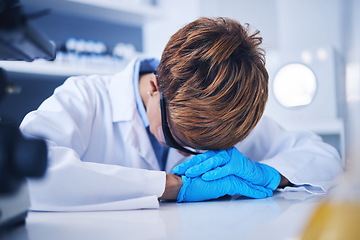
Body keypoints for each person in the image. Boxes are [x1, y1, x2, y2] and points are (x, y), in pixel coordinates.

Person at [20, 17, 342, 210]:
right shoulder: (86, 98)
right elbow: (25, 177)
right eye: (174, 136)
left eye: (203, 149)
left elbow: (324, 156)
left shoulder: (219, 113)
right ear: (155, 87)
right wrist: (167, 185)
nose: (184, 153)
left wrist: (272, 174)